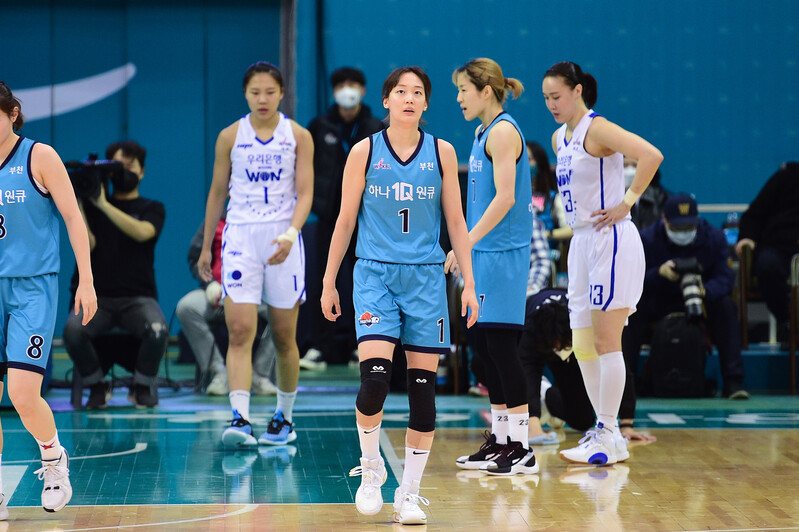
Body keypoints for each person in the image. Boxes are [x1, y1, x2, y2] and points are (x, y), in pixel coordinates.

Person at [321, 66, 478, 525]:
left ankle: (409, 493)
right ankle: (371, 469)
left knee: (423, 393)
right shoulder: (364, 151)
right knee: (375, 381)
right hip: (374, 275)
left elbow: (457, 222)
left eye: (418, 92)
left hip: (426, 280)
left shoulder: (442, 152)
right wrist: (329, 280)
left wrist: (469, 283)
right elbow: (344, 220)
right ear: (387, 100)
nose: (409, 98)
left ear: (426, 103)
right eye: (401, 91)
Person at [542, 61, 663, 466]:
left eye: (557, 96)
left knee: (607, 341)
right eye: (546, 98)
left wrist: (626, 202)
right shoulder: (559, 138)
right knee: (581, 344)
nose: (551, 104)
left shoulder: (597, 128)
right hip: (580, 242)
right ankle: (603, 431)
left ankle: (610, 432)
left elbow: (651, 155)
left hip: (609, 240)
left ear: (577, 91)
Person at [198, 61, 313, 447]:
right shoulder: (230, 136)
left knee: (283, 335)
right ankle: (240, 418)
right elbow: (217, 191)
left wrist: (291, 234)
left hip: (282, 237)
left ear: (282, 94)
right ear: (245, 94)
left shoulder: (298, 136)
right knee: (240, 330)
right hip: (241, 237)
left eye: (269, 92)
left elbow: (306, 192)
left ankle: (284, 418)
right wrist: (206, 246)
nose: (262, 99)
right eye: (255, 92)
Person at [0, 81, 97, 514]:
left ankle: (54, 459)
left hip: (32, 287)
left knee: (22, 393)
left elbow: (73, 218)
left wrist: (86, 280)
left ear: (13, 113)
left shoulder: (39, 156)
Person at [449, 58, 538, 476]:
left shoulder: (503, 132)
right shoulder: (482, 132)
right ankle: (501, 442)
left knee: (503, 348)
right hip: (484, 253)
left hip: (504, 254)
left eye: (463, 89)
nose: (458, 98)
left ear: (486, 91)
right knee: (486, 352)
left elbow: (505, 198)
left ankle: (522, 447)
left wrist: (465, 240)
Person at [63, 140, 168, 409]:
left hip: (138, 298)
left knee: (158, 329)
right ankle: (97, 386)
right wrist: (78, 203)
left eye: (129, 167)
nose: (123, 173)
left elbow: (143, 232)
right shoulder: (91, 207)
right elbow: (88, 243)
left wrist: (103, 205)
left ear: (142, 171)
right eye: (117, 167)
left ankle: (141, 387)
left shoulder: (152, 208)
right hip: (99, 299)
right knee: (73, 330)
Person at [622, 193, 748, 399]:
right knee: (631, 311)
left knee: (726, 307)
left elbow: (725, 277)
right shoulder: (646, 239)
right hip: (660, 299)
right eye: (677, 228)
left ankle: (733, 382)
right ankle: (628, 382)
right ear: (664, 220)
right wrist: (658, 273)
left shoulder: (714, 238)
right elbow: (631, 278)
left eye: (688, 227)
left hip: (701, 300)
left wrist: (706, 290)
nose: (683, 233)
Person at [301, 67, 385, 370]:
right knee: (325, 278)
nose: (347, 90)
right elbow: (307, 167)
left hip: (366, 219)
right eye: (341, 85)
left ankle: (360, 343)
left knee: (365, 281)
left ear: (363, 90)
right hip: (329, 217)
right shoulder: (320, 125)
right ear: (334, 90)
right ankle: (318, 346)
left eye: (353, 84)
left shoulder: (376, 127)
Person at [518, 289, 657, 445]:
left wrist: (627, 424)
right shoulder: (533, 328)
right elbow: (529, 373)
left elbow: (620, 366)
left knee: (582, 421)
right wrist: (534, 426)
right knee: (522, 375)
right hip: (542, 337)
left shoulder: (587, 323)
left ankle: (547, 395)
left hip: (575, 341)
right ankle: (536, 406)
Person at [176, 216, 277, 396]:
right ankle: (218, 373)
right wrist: (209, 284)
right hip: (217, 294)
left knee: (281, 312)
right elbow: (195, 258)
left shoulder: (266, 221)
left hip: (255, 296)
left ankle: (260, 375)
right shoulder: (216, 221)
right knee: (186, 307)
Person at [735, 162, 799, 330]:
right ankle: (787, 322)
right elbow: (754, 214)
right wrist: (747, 238)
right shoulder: (786, 177)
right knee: (767, 265)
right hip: (779, 247)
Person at [526, 140, 571, 247]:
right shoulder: (511, 198)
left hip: (545, 250)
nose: (524, 164)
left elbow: (570, 230)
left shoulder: (554, 198)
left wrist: (544, 234)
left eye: (529, 159)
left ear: (539, 164)